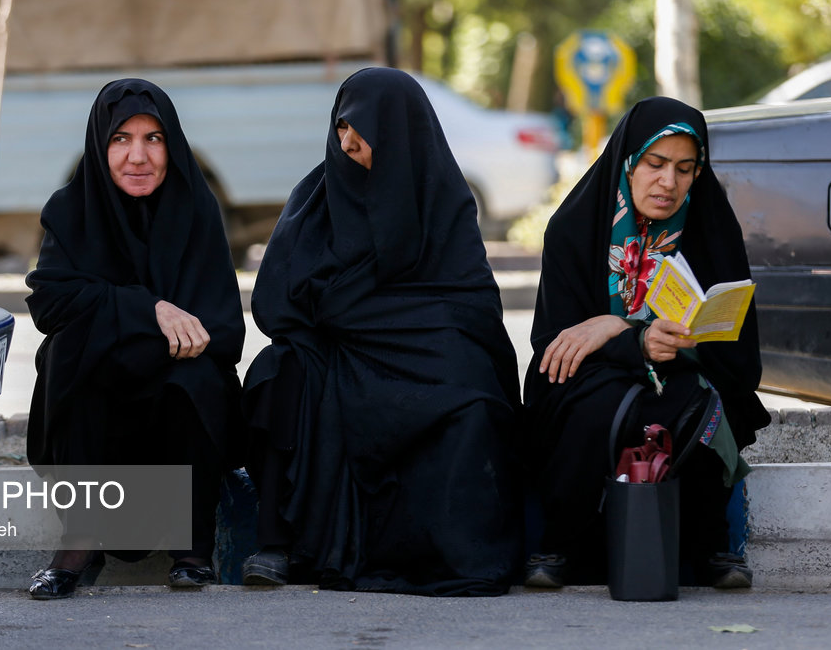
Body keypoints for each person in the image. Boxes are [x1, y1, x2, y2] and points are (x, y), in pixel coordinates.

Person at [239, 67, 524, 596]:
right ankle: (277, 545)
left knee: (471, 394)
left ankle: (446, 553)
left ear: (399, 132)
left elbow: (468, 309)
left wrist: (358, 313)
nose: (347, 142)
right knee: (278, 370)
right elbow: (277, 300)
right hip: (336, 356)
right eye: (341, 127)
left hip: (420, 357)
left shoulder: (442, 200)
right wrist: (339, 319)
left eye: (362, 130)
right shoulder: (315, 198)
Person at [522, 96, 770, 589]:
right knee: (600, 404)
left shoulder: (712, 231)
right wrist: (631, 343)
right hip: (591, 374)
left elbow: (740, 357)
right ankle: (560, 545)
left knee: (695, 405)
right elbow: (554, 342)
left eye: (685, 169)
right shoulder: (573, 229)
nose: (668, 182)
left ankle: (707, 549)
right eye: (655, 165)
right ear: (629, 162)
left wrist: (628, 329)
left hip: (686, 369)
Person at [25, 78, 245, 599]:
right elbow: (50, 301)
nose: (137, 156)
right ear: (100, 147)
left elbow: (219, 329)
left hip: (171, 388)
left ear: (173, 145)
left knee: (197, 374)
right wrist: (150, 309)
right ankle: (79, 540)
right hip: (103, 388)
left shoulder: (197, 208)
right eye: (120, 139)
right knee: (71, 355)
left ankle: (194, 550)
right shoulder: (70, 209)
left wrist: (137, 329)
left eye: (154, 139)